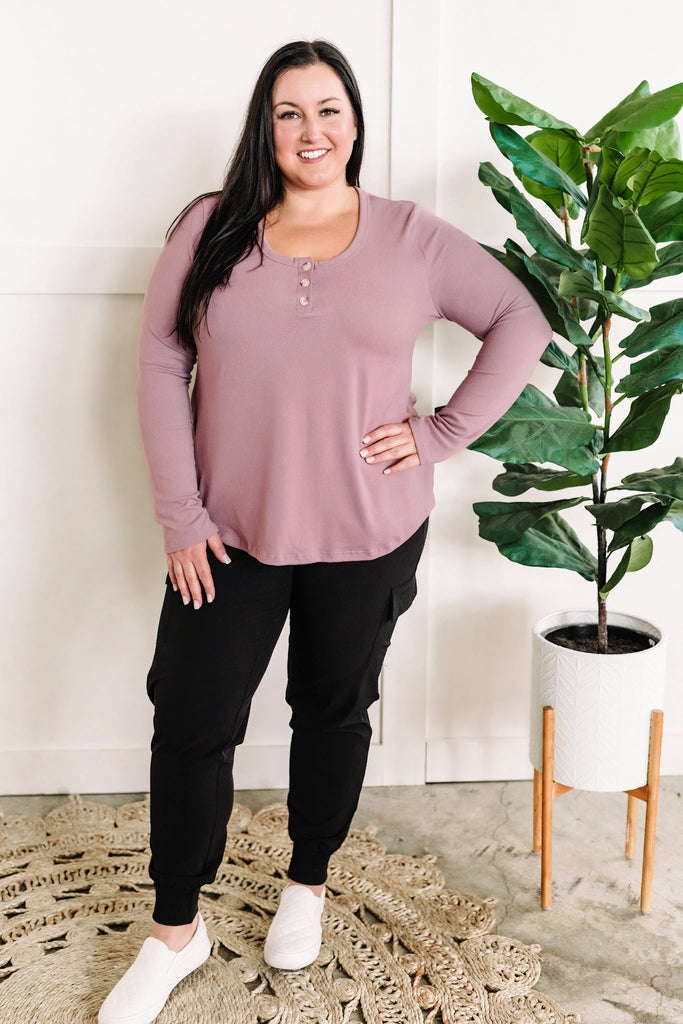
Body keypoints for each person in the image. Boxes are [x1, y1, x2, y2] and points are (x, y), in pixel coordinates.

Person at [98, 37, 552, 1024]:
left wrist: (439, 434)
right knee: (191, 720)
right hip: (226, 534)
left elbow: (520, 318)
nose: (311, 131)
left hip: (369, 531)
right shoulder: (212, 226)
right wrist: (180, 514)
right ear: (265, 127)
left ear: (354, 121)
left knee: (333, 710)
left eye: (328, 109)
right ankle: (175, 929)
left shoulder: (411, 237)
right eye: (289, 112)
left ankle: (305, 882)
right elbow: (159, 360)